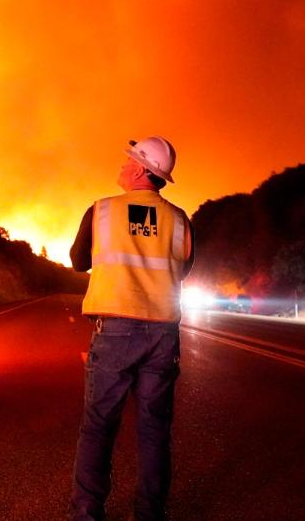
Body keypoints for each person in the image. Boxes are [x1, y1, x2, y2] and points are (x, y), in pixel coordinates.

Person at [69, 136, 195, 521]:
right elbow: (183, 269)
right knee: (155, 430)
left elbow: (78, 261)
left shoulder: (102, 210)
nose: (122, 166)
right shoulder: (179, 219)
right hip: (162, 335)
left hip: (116, 332)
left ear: (141, 169)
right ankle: (150, 514)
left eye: (127, 161)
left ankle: (88, 514)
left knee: (99, 427)